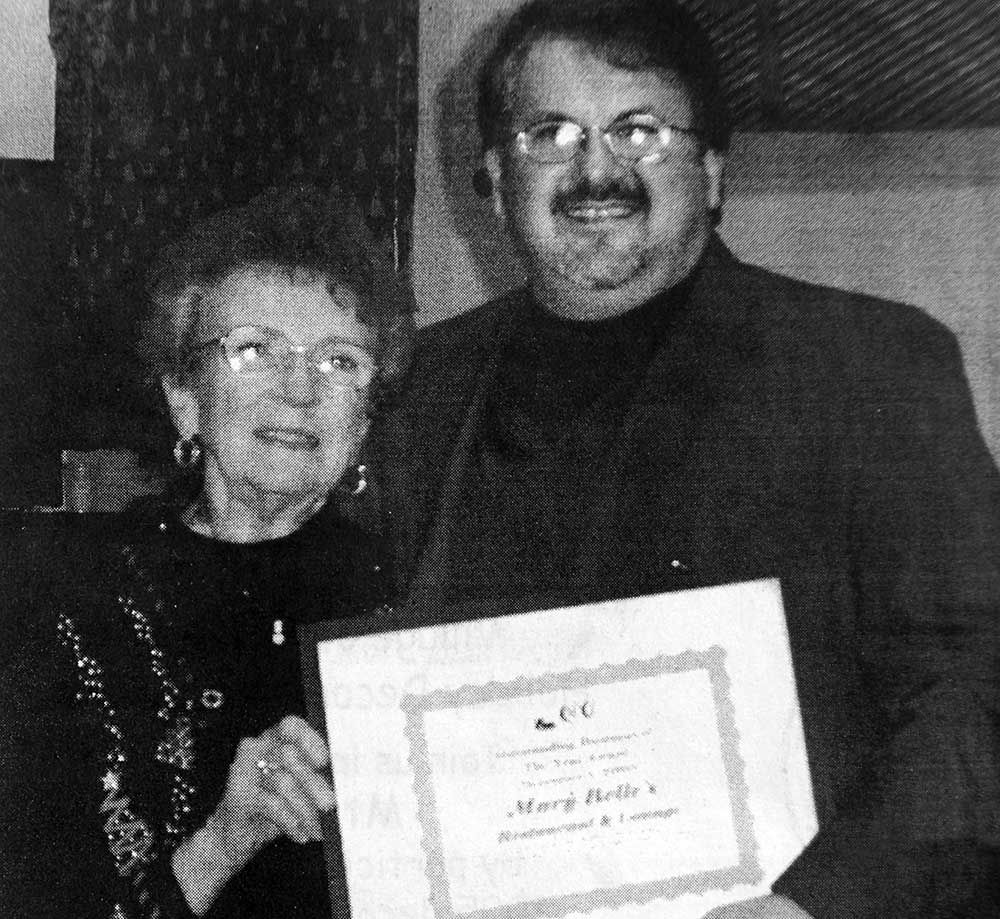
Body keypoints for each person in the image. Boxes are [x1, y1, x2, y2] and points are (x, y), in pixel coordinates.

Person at [374, 1, 1000, 917]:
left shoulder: (868, 368)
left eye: (641, 131)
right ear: (496, 181)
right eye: (550, 134)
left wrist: (815, 904)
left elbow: (975, 692)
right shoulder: (412, 392)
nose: (597, 171)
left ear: (709, 173)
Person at [0, 185, 414, 918]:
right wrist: (227, 836)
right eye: (254, 349)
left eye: (339, 361)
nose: (298, 388)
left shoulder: (412, 596)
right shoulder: (74, 605)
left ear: (363, 420)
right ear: (186, 398)